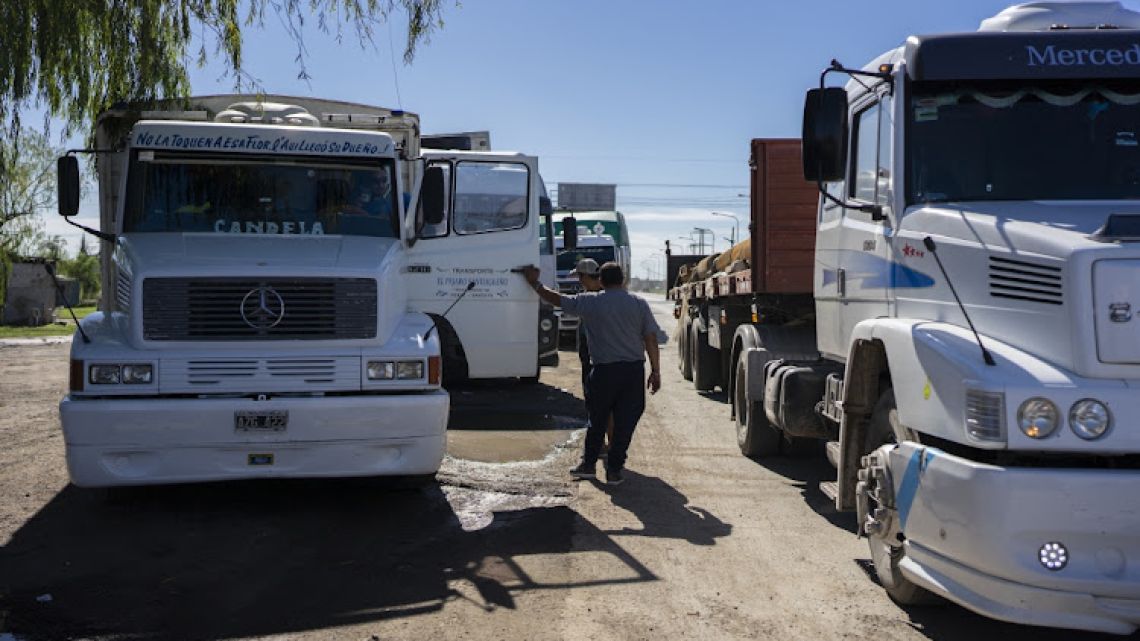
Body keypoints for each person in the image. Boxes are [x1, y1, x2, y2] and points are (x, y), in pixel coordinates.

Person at [524, 261, 661, 486]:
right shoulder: (639, 304)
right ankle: (615, 470)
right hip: (633, 372)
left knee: (597, 420)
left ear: (602, 281)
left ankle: (588, 465)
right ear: (623, 280)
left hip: (603, 371)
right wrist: (655, 371)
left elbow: (557, 299)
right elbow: (651, 339)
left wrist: (534, 283)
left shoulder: (590, 302)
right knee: (625, 422)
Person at [571, 258, 614, 459]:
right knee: (601, 404)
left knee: (600, 405)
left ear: (588, 276)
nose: (579, 281)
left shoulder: (597, 299)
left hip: (595, 359)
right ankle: (608, 445)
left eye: (580, 277)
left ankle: (608, 446)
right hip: (593, 357)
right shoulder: (598, 296)